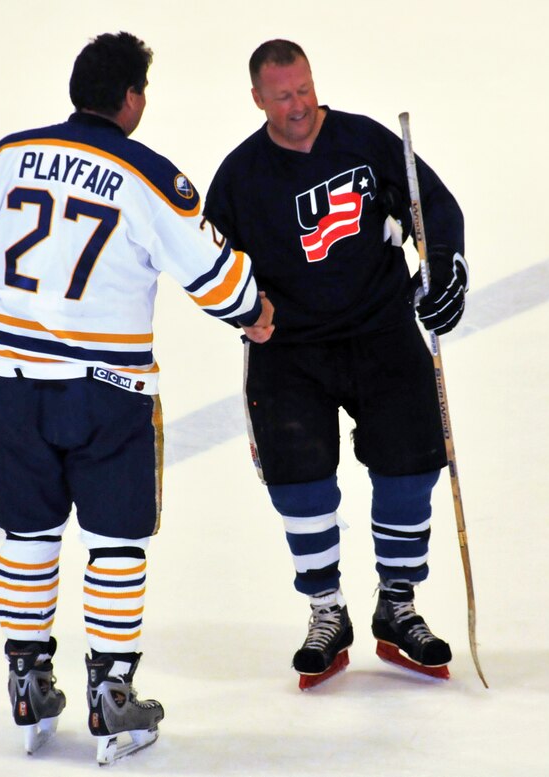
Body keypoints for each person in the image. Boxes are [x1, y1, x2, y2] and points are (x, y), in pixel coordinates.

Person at [0, 32, 274, 762]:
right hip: (108, 395)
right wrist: (254, 310)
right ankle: (113, 695)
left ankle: (27, 680)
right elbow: (217, 279)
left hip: (17, 391)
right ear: (132, 99)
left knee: (29, 535)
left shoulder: (5, 156)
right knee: (115, 541)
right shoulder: (147, 174)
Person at [203, 39, 468, 687]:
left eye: (305, 90)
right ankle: (327, 611)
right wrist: (240, 310)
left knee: (411, 465)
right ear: (257, 98)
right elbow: (206, 264)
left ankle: (398, 605)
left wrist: (443, 269)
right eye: (283, 95)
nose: (298, 106)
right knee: (300, 481)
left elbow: (434, 208)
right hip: (288, 349)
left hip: (381, 331)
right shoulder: (239, 176)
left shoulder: (366, 143)